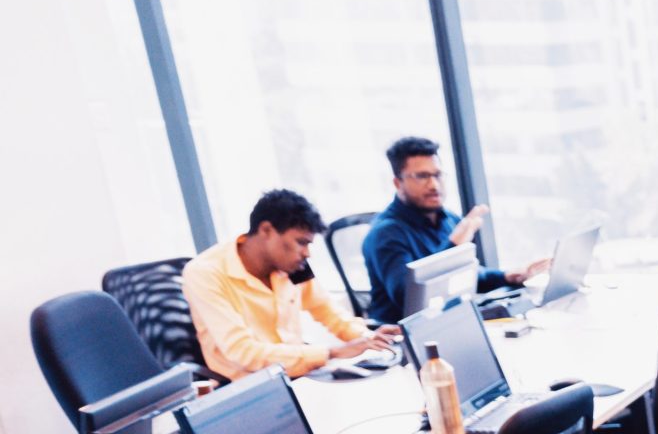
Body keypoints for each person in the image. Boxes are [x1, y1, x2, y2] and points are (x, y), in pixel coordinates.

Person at [181, 188, 394, 380]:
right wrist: (332, 352)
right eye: (301, 242)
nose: (307, 253)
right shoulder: (205, 273)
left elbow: (328, 312)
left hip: (298, 374)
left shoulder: (291, 266)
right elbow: (243, 351)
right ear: (266, 230)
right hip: (249, 386)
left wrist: (369, 338)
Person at [359, 135, 543, 323]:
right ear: (398, 183)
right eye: (422, 176)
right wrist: (453, 246)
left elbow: (465, 276)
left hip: (450, 320)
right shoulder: (385, 233)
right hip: (404, 333)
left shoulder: (448, 218)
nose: (434, 185)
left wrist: (507, 277)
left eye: (437, 175)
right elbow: (410, 300)